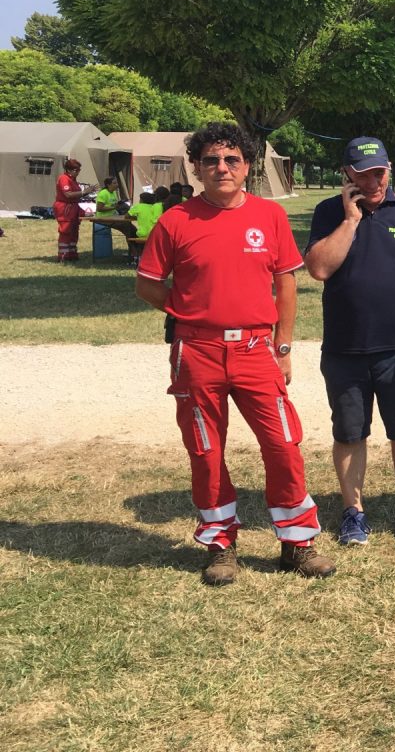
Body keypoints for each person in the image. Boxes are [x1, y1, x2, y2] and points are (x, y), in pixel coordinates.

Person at [135, 122, 335, 585]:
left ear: (247, 167)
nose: (221, 168)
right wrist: (189, 309)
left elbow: (286, 284)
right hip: (197, 350)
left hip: (255, 348)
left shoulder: (269, 216)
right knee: (206, 450)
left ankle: (297, 542)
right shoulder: (175, 220)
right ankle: (221, 545)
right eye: (211, 160)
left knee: (283, 444)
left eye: (232, 160)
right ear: (197, 167)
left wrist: (283, 346)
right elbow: (147, 283)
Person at [305, 136, 395, 545]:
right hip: (345, 348)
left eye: (379, 172)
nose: (374, 181)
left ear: (389, 168)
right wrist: (350, 220)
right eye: (363, 174)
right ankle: (353, 512)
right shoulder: (329, 212)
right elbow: (319, 269)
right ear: (347, 174)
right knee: (349, 433)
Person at [53, 158, 92, 261]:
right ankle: (63, 255)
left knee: (74, 231)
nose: (78, 172)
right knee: (66, 231)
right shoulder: (64, 178)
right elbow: (68, 194)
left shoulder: (72, 180)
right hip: (65, 208)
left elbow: (76, 195)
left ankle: (72, 253)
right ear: (69, 170)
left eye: (79, 170)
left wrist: (88, 192)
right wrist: (84, 192)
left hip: (74, 207)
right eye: (76, 170)